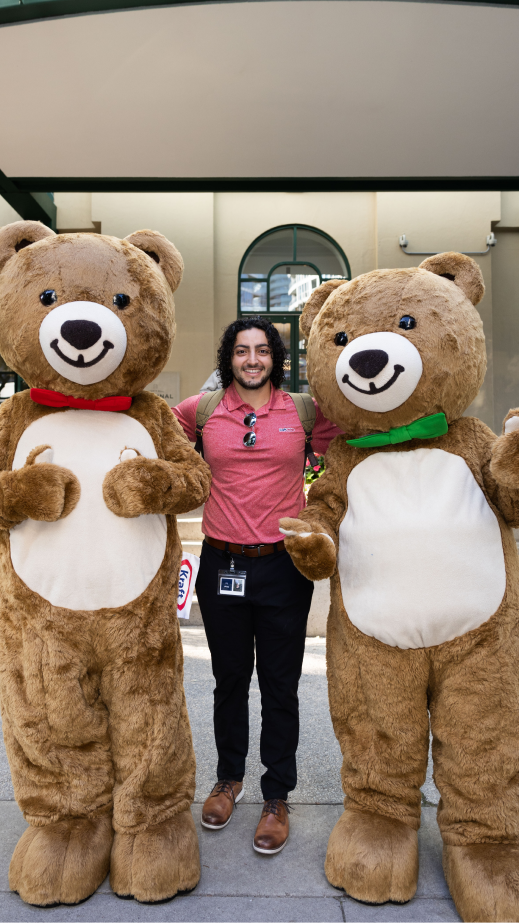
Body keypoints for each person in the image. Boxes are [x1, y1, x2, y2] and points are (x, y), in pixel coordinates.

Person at [172, 316, 341, 854]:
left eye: (262, 351)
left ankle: (276, 794)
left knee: (280, 684)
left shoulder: (303, 412)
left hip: (283, 565)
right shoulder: (200, 413)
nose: (252, 360)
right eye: (242, 351)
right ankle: (228, 779)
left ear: (275, 359)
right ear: (229, 358)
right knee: (228, 680)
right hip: (222, 564)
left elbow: (360, 443)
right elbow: (147, 434)